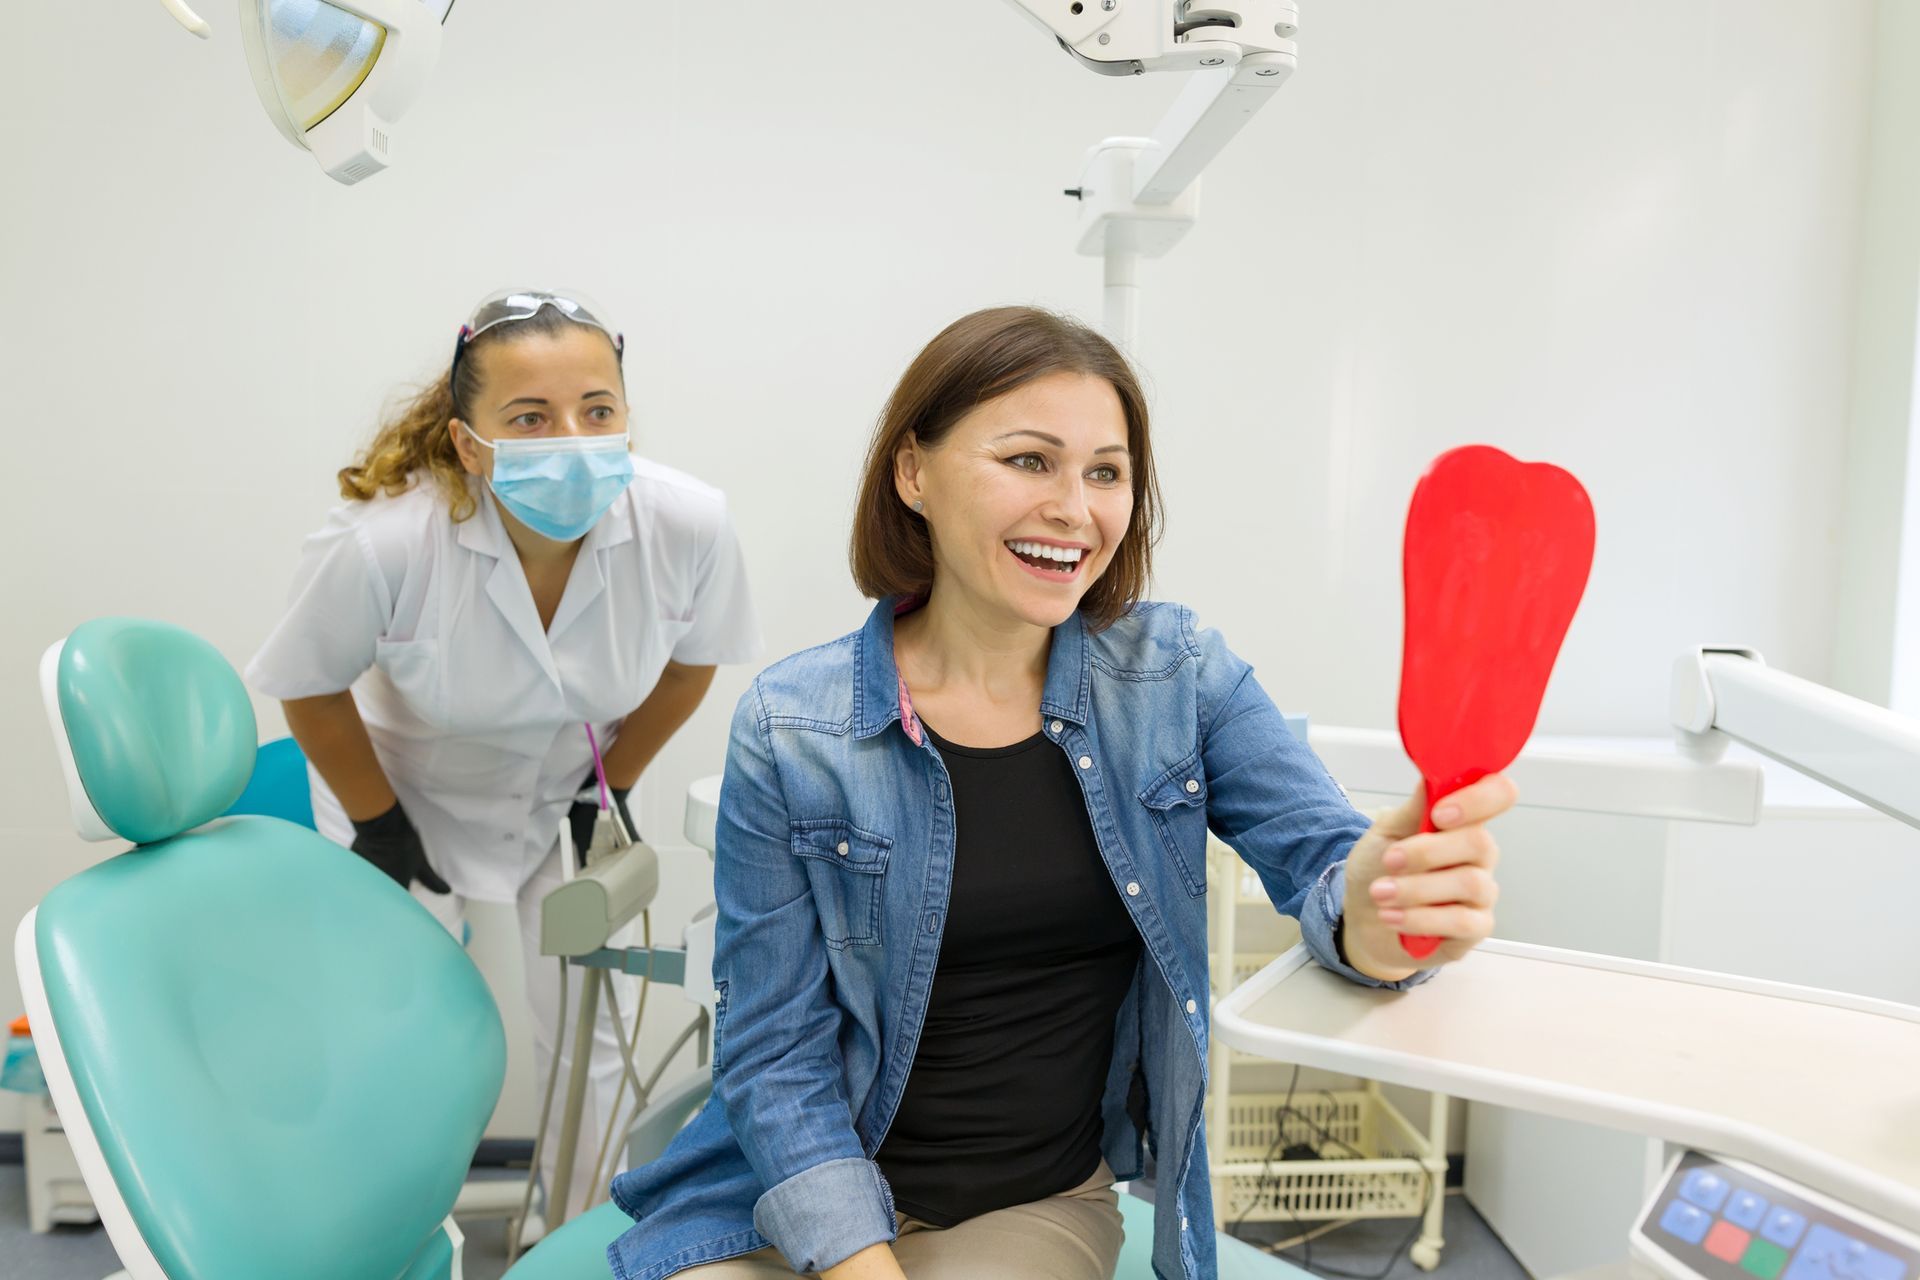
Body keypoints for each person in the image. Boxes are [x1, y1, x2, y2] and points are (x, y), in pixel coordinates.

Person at [605, 306, 1510, 1280]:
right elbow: (774, 1052)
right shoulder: (792, 725)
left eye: (1107, 471)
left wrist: (1386, 908)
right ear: (915, 471)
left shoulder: (1181, 677)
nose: (1076, 508)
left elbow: (1335, 877)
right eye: (1030, 460)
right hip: (782, 1191)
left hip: (1025, 1203)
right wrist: (862, 1265)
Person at [246, 289, 760, 1227]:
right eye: (530, 417)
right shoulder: (385, 543)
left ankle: (575, 1232)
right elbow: (310, 687)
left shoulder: (685, 523)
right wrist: (378, 823)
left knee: (588, 1033)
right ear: (468, 441)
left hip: (564, 786)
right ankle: (391, 1231)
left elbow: (691, 668)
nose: (571, 437)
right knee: (404, 1034)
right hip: (397, 787)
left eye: (597, 410)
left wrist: (613, 786)